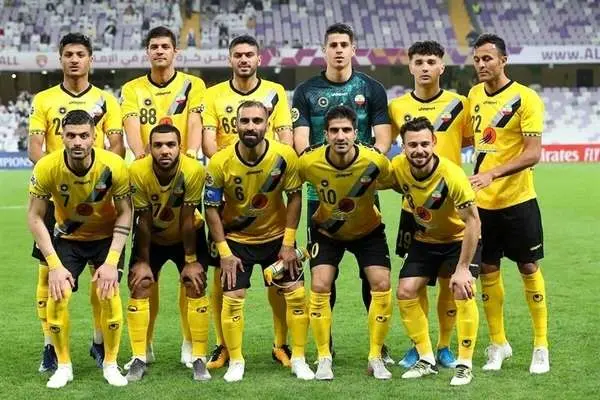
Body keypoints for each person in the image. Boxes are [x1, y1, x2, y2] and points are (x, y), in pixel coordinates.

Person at [292, 22, 393, 363]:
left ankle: (378, 345)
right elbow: (302, 141)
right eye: (332, 44)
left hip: (363, 192)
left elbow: (382, 139)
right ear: (324, 50)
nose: (338, 50)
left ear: (353, 49)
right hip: (318, 196)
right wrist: (319, 168)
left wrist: (365, 169)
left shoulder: (372, 88)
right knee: (323, 275)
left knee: (371, 273)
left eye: (343, 44)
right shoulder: (306, 91)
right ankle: (327, 343)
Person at [28, 32, 124, 372]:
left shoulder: (106, 100)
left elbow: (116, 146)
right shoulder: (44, 99)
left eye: (80, 54)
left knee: (103, 275)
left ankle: (99, 342)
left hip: (97, 196)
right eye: (68, 54)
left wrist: (96, 181)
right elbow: (35, 147)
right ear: (60, 59)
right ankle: (50, 346)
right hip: (57, 194)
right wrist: (56, 175)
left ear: (90, 60)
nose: (74, 60)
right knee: (49, 274)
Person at [201, 34, 294, 370]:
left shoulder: (275, 92)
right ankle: (223, 345)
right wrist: (229, 172)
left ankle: (281, 344)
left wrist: (271, 171)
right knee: (223, 275)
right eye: (238, 55)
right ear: (230, 59)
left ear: (259, 59)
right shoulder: (213, 94)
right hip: (229, 190)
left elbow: (285, 137)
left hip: (267, 189)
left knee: (278, 277)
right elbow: (209, 142)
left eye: (249, 54)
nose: (243, 59)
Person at [204, 100, 313, 382]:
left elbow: (295, 197)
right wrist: (225, 252)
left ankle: (298, 358)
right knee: (233, 299)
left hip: (277, 239)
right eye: (245, 121)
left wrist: (288, 243)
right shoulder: (220, 161)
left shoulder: (284, 156)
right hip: (236, 241)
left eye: (257, 121)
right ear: (236, 125)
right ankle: (236, 360)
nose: (251, 126)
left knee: (296, 294)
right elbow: (211, 209)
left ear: (267, 124)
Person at [120, 25, 206, 367]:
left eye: (165, 46)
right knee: (146, 276)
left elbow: (195, 123)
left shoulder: (193, 84)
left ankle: (189, 342)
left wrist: (192, 156)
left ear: (175, 52)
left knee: (191, 274)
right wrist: (145, 160)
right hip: (148, 174)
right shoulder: (132, 88)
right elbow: (131, 127)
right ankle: (146, 344)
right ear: (147, 52)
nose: (159, 51)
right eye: (154, 46)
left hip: (184, 172)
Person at [27, 110, 131, 388]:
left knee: (109, 295)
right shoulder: (46, 167)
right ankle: (64, 366)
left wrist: (112, 261)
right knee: (57, 296)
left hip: (105, 238)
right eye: (71, 135)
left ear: (94, 137)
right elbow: (35, 217)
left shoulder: (114, 166)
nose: (77, 142)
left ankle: (110, 364)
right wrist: (54, 265)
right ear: (61, 136)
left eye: (84, 135)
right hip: (68, 238)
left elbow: (125, 212)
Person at [388, 40, 472, 369]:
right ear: (410, 66)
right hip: (414, 210)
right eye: (419, 62)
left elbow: (469, 140)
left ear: (442, 67)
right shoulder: (397, 107)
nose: (425, 67)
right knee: (416, 279)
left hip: (452, 204)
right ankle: (418, 345)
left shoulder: (460, 104)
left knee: (450, 281)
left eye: (431, 62)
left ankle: (444, 346)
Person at [468, 33, 548, 374]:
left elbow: (533, 153)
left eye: (488, 58)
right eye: (477, 59)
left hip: (518, 200)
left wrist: (493, 173)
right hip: (482, 205)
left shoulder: (525, 98)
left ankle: (541, 345)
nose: (481, 64)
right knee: (488, 270)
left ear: (503, 60)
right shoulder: (474, 95)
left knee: (528, 267)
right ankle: (498, 344)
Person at [383, 116, 481, 386]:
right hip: (424, 239)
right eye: (412, 145)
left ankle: (465, 364)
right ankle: (426, 359)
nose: (419, 150)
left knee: (462, 289)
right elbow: (378, 179)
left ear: (434, 143)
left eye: (425, 144)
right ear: (403, 146)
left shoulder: (452, 175)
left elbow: (473, 222)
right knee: (405, 291)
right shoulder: (398, 167)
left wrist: (463, 268)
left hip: (458, 240)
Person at [298, 105, 393, 381]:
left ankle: (376, 356)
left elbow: (398, 182)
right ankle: (324, 357)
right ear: (325, 134)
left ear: (356, 133)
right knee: (319, 284)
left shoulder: (375, 161)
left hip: (368, 230)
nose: (341, 136)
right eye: (334, 130)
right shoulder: (308, 162)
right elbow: (290, 189)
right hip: (328, 232)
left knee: (381, 284)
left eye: (346, 130)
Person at [125, 123, 210, 382]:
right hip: (152, 237)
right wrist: (142, 260)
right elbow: (143, 219)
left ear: (180, 148)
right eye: (158, 145)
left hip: (187, 235)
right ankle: (140, 355)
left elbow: (187, 217)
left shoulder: (194, 170)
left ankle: (198, 356)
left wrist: (191, 260)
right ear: (149, 148)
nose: (165, 150)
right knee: (140, 282)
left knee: (195, 283)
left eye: (171, 145)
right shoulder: (137, 171)